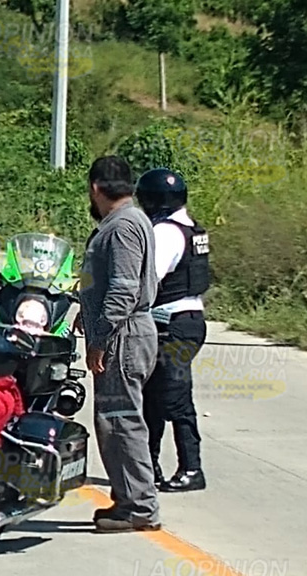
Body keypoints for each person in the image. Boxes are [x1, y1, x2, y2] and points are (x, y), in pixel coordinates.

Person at [77, 156, 162, 533]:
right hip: (125, 329)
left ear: (96, 188)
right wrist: (86, 313)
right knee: (117, 420)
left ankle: (139, 507)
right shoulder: (133, 220)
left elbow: (124, 290)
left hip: (123, 335)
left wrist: (99, 338)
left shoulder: (123, 226)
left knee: (121, 421)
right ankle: (128, 500)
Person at [136, 167, 209, 493]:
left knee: (172, 399)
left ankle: (191, 468)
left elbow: (149, 280)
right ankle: (149, 466)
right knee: (154, 396)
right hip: (188, 322)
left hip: (173, 325)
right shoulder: (192, 228)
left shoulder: (166, 232)